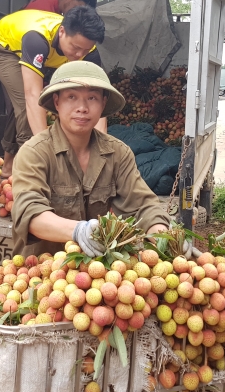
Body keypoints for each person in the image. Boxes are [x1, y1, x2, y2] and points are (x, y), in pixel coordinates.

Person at [10, 61, 172, 258]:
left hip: (96, 274)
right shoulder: (34, 153)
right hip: (41, 273)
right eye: (71, 97)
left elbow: (143, 206)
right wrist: (78, 231)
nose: (82, 107)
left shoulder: (118, 153)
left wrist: (164, 237)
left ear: (103, 104)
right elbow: (30, 213)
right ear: (56, 102)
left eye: (92, 98)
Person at [0, 6, 106, 177]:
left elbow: (98, 99)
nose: (80, 55)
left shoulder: (88, 52)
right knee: (24, 104)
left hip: (47, 55)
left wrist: (100, 150)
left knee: (22, 106)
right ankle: (30, 171)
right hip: (4, 48)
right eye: (76, 47)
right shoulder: (37, 39)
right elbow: (33, 95)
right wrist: (50, 152)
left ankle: (8, 165)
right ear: (62, 32)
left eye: (85, 50)